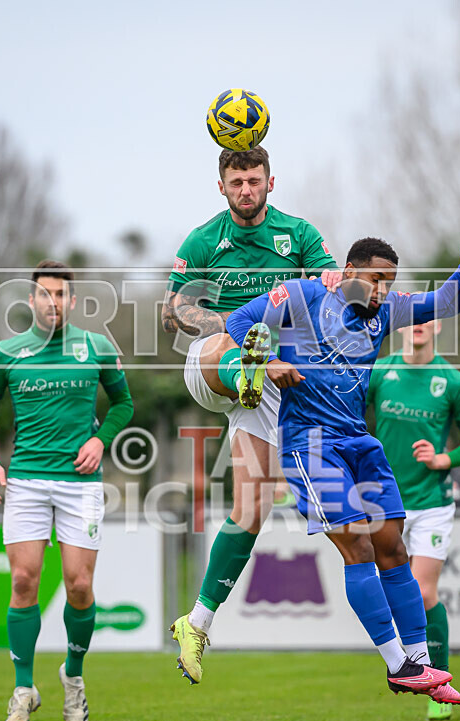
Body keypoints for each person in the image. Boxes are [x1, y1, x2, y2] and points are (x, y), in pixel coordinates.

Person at [225, 209, 460, 702]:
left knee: (394, 549)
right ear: (350, 272)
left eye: (389, 282)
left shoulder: (387, 310)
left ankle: (420, 663)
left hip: (359, 443)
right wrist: (267, 361)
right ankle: (398, 665)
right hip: (311, 444)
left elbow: (447, 300)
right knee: (360, 548)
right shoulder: (307, 295)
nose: (381, 290)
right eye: (375, 279)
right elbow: (240, 320)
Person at [161, 146, 341, 684]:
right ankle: (248, 363)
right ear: (221, 186)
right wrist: (225, 319)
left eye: (254, 180)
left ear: (270, 182)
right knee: (230, 338)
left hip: (268, 384)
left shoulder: (299, 236)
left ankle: (195, 623)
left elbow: (334, 292)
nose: (246, 189)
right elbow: (171, 313)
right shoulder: (203, 240)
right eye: (236, 181)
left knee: (252, 508)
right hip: (216, 368)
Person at [0, 260, 133, 721]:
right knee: (24, 580)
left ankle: (74, 679)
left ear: (72, 300)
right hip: (24, 481)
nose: (53, 302)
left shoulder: (96, 348)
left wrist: (101, 440)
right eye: (45, 294)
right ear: (31, 301)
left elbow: (124, 402)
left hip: (79, 484)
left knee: (79, 586)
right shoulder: (7, 352)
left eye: (61, 294)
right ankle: (23, 688)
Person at [367, 319, 460, 719]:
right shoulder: (380, 371)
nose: (418, 325)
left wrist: (443, 459)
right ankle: (415, 670)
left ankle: (439, 681)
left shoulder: (452, 381)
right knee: (393, 587)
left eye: (426, 318)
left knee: (424, 592)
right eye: (411, 319)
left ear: (437, 326)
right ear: (400, 327)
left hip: (433, 500)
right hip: (386, 499)